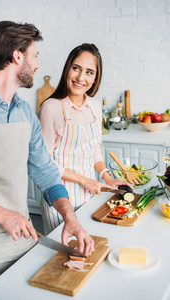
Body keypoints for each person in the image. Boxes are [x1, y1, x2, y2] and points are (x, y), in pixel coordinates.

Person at [0, 21, 94, 299]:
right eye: (34, 55)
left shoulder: (25, 112)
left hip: (22, 243)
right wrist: (1, 214)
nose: (37, 65)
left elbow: (47, 174)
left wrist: (70, 218)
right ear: (17, 56)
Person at [38, 43, 132, 234]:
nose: (81, 77)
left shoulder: (95, 107)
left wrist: (107, 177)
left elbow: (94, 150)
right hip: (59, 196)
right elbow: (44, 164)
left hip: (90, 192)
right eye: (76, 68)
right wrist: (84, 180)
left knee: (89, 248)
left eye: (89, 72)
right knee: (64, 255)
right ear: (68, 69)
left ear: (96, 77)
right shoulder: (51, 108)